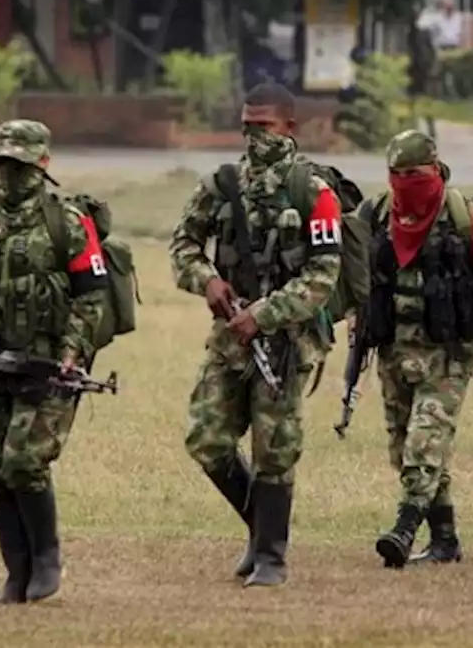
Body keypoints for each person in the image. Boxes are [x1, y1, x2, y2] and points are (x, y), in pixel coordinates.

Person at [169, 82, 343, 587]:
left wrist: (264, 315)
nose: (253, 137)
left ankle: (270, 556)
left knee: (275, 447)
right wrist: (208, 282)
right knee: (207, 438)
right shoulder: (221, 185)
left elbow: (323, 274)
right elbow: (183, 244)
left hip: (284, 342)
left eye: (263, 127)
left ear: (290, 128)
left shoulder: (313, 190)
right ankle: (258, 525)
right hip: (230, 336)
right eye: (246, 127)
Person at [0, 120, 109, 603]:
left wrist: (70, 354)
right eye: (4, 162)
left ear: (42, 163)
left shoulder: (66, 221)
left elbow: (91, 295)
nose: (11, 173)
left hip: (46, 362)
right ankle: (16, 571)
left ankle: (46, 561)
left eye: (21, 164)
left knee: (25, 461)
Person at [361, 130, 473, 568]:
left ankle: (404, 528)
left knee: (425, 442)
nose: (404, 182)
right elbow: (351, 273)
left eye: (413, 173)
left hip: (448, 355)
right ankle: (446, 540)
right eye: (396, 174)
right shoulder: (377, 214)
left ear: (435, 169)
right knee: (404, 449)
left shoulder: (467, 217)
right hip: (394, 352)